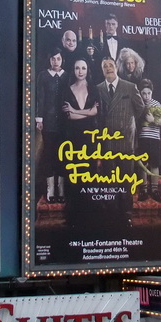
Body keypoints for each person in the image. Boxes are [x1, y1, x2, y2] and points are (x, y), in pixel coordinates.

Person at [96, 57, 147, 225]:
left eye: (111, 65)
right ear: (102, 70)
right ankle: (111, 213)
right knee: (109, 179)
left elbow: (140, 109)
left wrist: (128, 124)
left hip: (126, 141)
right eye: (105, 66)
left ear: (116, 68)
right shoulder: (98, 89)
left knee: (126, 179)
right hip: (107, 141)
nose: (108, 68)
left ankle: (126, 213)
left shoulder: (130, 87)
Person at [61, 58, 100, 223]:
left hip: (90, 137)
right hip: (73, 138)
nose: (80, 71)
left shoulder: (94, 89)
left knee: (90, 173)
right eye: (77, 68)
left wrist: (76, 110)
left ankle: (90, 213)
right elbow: (68, 116)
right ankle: (73, 215)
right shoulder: (67, 90)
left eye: (83, 68)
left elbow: (95, 112)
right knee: (74, 175)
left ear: (87, 70)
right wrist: (85, 112)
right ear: (73, 70)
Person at [35, 47, 69, 204]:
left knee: (62, 155)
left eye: (59, 59)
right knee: (49, 154)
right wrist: (39, 119)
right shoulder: (43, 76)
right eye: (53, 59)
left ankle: (61, 189)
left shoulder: (67, 76)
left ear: (62, 60)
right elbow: (40, 98)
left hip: (64, 122)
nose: (56, 62)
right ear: (49, 60)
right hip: (48, 121)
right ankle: (50, 190)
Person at [137, 78, 161, 202]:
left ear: (152, 92)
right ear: (140, 93)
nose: (146, 96)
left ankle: (154, 190)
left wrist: (153, 120)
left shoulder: (156, 104)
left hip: (154, 138)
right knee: (142, 164)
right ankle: (143, 190)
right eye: (144, 93)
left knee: (154, 163)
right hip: (142, 138)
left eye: (148, 93)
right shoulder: (139, 103)